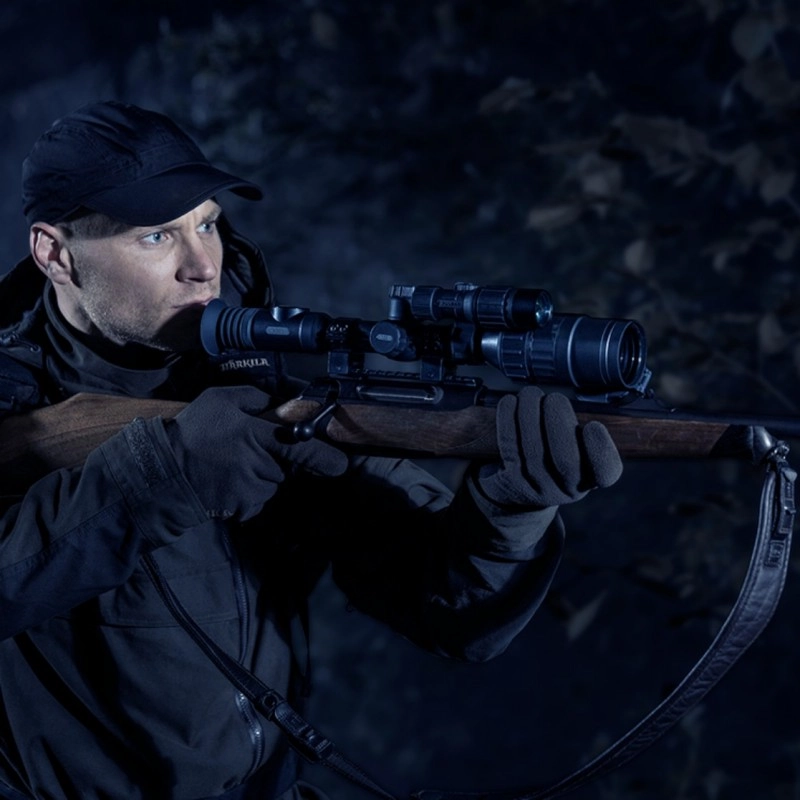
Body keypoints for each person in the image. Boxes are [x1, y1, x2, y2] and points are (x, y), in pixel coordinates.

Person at [0, 101, 622, 800]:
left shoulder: (264, 391)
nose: (202, 265)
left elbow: (450, 615)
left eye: (207, 223)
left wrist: (509, 511)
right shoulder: (14, 409)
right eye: (156, 236)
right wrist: (161, 478)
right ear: (54, 254)